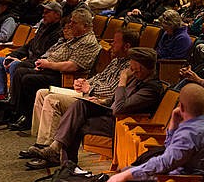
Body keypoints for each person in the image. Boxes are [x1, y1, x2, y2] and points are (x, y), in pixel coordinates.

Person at [25, 47, 163, 168]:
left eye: (133, 68)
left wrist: (122, 81)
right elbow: (115, 100)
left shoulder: (151, 89)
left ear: (143, 68)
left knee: (75, 123)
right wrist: (102, 102)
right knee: (80, 105)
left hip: (123, 123)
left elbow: (119, 109)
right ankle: (61, 157)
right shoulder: (138, 78)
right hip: (111, 115)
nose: (130, 70)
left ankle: (63, 159)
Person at [20, 28, 140, 161]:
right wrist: (83, 81)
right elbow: (99, 77)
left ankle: (50, 150)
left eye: (115, 42)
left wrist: (89, 88)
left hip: (97, 101)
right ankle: (41, 143)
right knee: (41, 93)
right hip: (88, 93)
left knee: (52, 99)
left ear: (127, 46)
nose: (111, 44)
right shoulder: (116, 61)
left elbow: (113, 91)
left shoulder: (131, 68)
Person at [8, 9, 101, 131]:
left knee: (28, 79)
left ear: (85, 26)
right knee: (20, 70)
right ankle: (17, 111)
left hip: (64, 77)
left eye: (74, 23)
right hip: (51, 69)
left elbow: (72, 66)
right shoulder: (77, 37)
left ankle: (27, 116)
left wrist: (48, 64)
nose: (70, 25)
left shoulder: (88, 42)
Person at [107, 84, 204, 182]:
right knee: (128, 171)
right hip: (178, 174)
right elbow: (169, 148)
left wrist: (126, 175)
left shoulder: (190, 133)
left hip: (180, 179)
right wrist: (173, 123)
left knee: (125, 175)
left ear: (181, 107)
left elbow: (165, 163)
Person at [0, 1, 63, 99]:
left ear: (57, 15)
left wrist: (20, 61)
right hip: (29, 59)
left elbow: (45, 55)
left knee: (15, 65)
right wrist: (13, 55)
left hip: (39, 63)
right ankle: (0, 96)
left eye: (47, 13)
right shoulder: (43, 27)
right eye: (43, 12)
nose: (43, 15)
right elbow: (28, 45)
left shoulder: (58, 33)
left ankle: (13, 98)